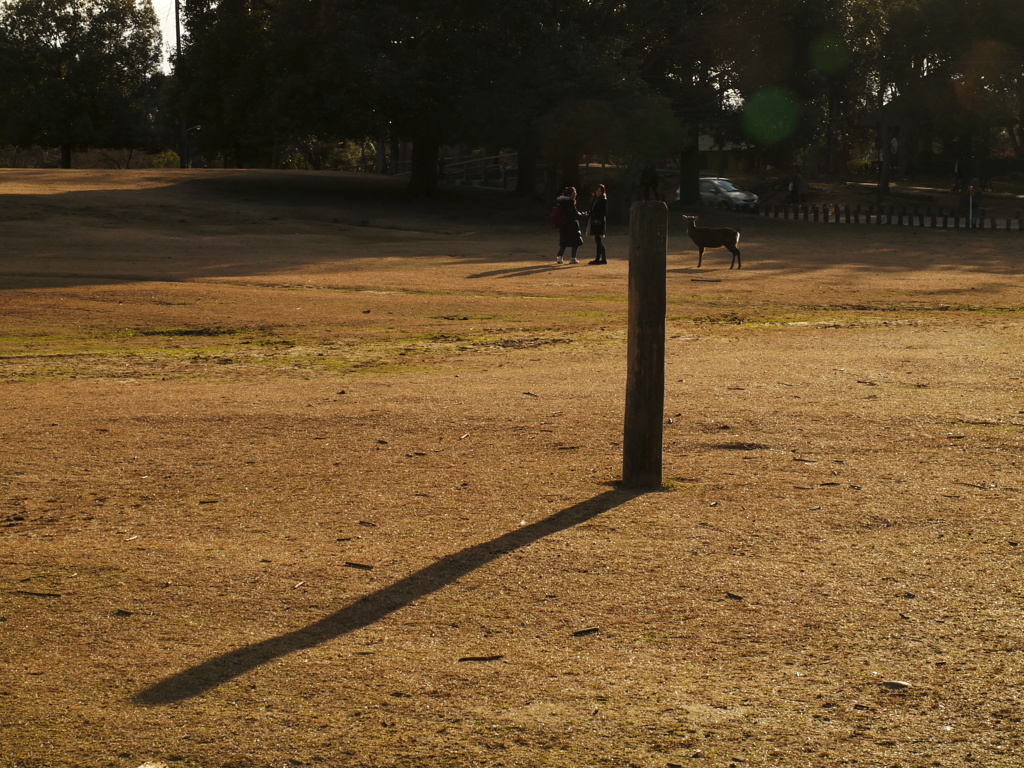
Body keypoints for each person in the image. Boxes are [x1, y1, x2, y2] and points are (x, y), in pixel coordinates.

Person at [555, 186, 586, 264]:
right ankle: (573, 258)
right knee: (575, 242)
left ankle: (559, 257)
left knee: (564, 242)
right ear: (569, 195)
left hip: (564, 224)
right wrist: (582, 215)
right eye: (573, 194)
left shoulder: (561, 202)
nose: (575, 195)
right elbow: (574, 214)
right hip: (572, 225)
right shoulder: (570, 202)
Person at [588, 184, 608, 264]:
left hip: (599, 221)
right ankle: (603, 259)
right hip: (595, 220)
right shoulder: (596, 199)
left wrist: (593, 214)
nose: (598, 192)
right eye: (597, 190)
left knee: (598, 240)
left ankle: (598, 259)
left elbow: (603, 212)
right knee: (598, 240)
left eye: (600, 191)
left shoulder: (603, 200)